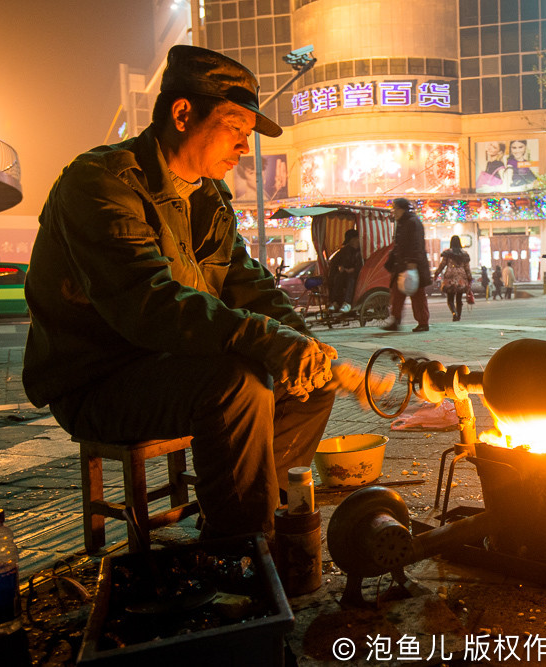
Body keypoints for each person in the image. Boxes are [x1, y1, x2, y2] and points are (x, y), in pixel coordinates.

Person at [21, 45, 339, 540]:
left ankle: (261, 518)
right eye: (235, 127)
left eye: (247, 134)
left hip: (172, 362)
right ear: (184, 113)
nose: (243, 146)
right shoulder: (102, 184)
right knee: (237, 383)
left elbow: (247, 281)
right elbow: (147, 302)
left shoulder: (209, 197)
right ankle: (238, 553)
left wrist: (303, 344)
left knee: (312, 381)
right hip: (99, 378)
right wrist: (265, 340)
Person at [383, 198, 431, 332]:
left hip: (412, 265)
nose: (394, 212)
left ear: (402, 209)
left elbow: (416, 244)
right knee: (397, 294)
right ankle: (395, 320)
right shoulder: (403, 223)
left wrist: (412, 262)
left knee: (417, 295)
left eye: (396, 209)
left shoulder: (412, 222)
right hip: (401, 265)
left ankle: (423, 322)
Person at [434, 235, 473, 321]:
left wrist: (436, 274)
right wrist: (470, 278)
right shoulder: (464, 254)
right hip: (461, 279)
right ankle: (458, 316)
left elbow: (442, 265)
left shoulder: (447, 253)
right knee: (459, 299)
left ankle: (454, 313)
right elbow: (467, 268)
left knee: (450, 299)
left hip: (450, 278)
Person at [327, 228, 363, 311]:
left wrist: (353, 270)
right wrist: (341, 267)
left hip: (358, 274)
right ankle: (335, 302)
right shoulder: (345, 250)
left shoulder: (362, 251)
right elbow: (334, 261)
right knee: (338, 278)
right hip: (345, 273)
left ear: (356, 239)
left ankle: (347, 303)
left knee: (351, 279)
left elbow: (362, 264)